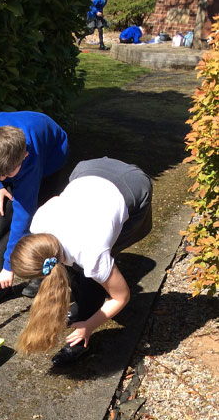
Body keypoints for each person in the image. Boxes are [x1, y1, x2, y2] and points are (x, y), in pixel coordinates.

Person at [10, 157, 153, 366]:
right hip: (87, 169)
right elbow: (55, 200)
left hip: (132, 183)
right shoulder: (39, 223)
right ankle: (82, 306)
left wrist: (89, 325)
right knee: (81, 269)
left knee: (93, 278)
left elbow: (121, 297)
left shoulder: (92, 254)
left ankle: (82, 336)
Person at [0, 111, 69, 305]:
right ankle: (0, 283)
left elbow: (24, 216)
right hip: (11, 155)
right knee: (4, 209)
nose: (5, 178)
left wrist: (10, 266)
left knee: (40, 218)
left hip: (52, 155)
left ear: (25, 156)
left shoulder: (32, 160)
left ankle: (40, 274)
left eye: (8, 174)